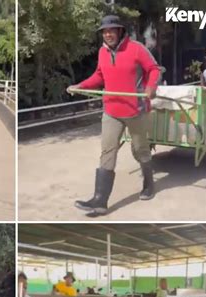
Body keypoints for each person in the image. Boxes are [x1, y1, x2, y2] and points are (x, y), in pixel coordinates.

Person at [68, 15, 161, 216]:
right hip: (111, 110)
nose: (108, 34)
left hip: (135, 110)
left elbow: (154, 69)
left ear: (120, 31)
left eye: (112, 30)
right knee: (107, 152)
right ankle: (100, 201)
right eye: (105, 31)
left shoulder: (136, 48)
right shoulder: (102, 52)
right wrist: (80, 85)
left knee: (140, 150)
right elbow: (99, 75)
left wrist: (151, 87)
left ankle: (149, 182)